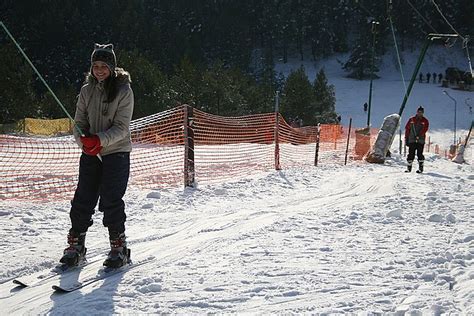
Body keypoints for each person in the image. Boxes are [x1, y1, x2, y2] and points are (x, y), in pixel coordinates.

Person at [60, 43, 134, 269]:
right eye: (95, 66)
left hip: (116, 153)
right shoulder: (86, 90)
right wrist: (83, 141)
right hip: (91, 153)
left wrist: (99, 140)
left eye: (104, 66)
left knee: (111, 199)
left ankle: (118, 247)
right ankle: (76, 244)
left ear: (112, 67)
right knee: (83, 197)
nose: (99, 70)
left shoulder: (124, 91)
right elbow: (79, 122)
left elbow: (122, 127)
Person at [404, 106, 429, 173]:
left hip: (420, 140)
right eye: (419, 112)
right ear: (417, 112)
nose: (420, 113)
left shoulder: (425, 121)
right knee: (411, 154)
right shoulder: (412, 120)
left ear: (423, 113)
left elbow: (425, 129)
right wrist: (406, 139)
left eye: (421, 112)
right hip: (412, 140)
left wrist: (419, 135)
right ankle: (409, 168)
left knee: (419, 154)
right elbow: (407, 129)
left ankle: (421, 168)